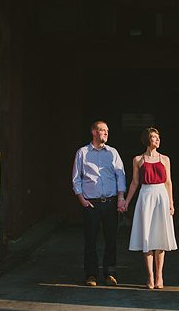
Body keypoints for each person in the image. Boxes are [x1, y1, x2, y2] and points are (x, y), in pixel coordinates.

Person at [72, 120, 127, 287]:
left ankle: (110, 273)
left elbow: (121, 176)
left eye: (107, 131)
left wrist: (121, 198)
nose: (106, 133)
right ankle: (91, 275)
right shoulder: (82, 153)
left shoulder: (113, 153)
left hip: (110, 203)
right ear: (94, 132)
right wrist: (81, 199)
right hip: (91, 204)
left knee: (111, 239)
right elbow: (76, 178)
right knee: (91, 240)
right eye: (103, 130)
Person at [123, 127, 177, 289]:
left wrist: (171, 203)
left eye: (158, 137)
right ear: (147, 140)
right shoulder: (138, 159)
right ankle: (150, 276)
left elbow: (168, 182)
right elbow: (134, 183)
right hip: (145, 196)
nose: (157, 140)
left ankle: (160, 276)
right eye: (154, 137)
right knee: (146, 236)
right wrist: (126, 201)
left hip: (161, 195)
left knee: (160, 236)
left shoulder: (165, 159)